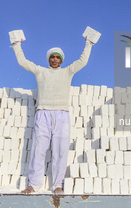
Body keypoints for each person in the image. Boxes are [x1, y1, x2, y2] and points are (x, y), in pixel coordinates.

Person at [11, 35, 93, 194]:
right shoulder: (40, 71)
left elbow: (82, 61)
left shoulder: (68, 72)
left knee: (60, 151)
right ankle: (33, 185)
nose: (55, 59)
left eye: (58, 57)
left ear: (61, 61)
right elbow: (23, 62)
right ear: (49, 59)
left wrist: (88, 43)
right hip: (43, 113)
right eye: (52, 57)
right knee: (38, 150)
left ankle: (58, 185)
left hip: (62, 114)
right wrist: (16, 44)